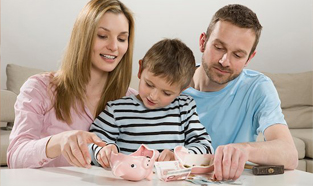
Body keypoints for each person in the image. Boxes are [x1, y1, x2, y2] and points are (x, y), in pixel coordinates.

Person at [7, 0, 137, 168]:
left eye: (121, 39)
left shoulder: (132, 100)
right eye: (102, 36)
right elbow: (15, 158)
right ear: (83, 37)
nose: (114, 47)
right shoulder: (39, 89)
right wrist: (58, 142)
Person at [183, 4, 298, 180]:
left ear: (249, 58)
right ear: (202, 42)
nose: (224, 61)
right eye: (219, 47)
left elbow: (289, 154)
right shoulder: (171, 85)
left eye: (237, 55)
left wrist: (243, 149)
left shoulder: (257, 87)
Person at [89, 38, 214, 168]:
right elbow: (90, 142)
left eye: (166, 93)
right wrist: (102, 152)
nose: (153, 96)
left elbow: (205, 147)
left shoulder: (184, 108)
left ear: (183, 90)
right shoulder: (117, 110)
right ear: (140, 70)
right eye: (149, 84)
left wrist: (179, 155)